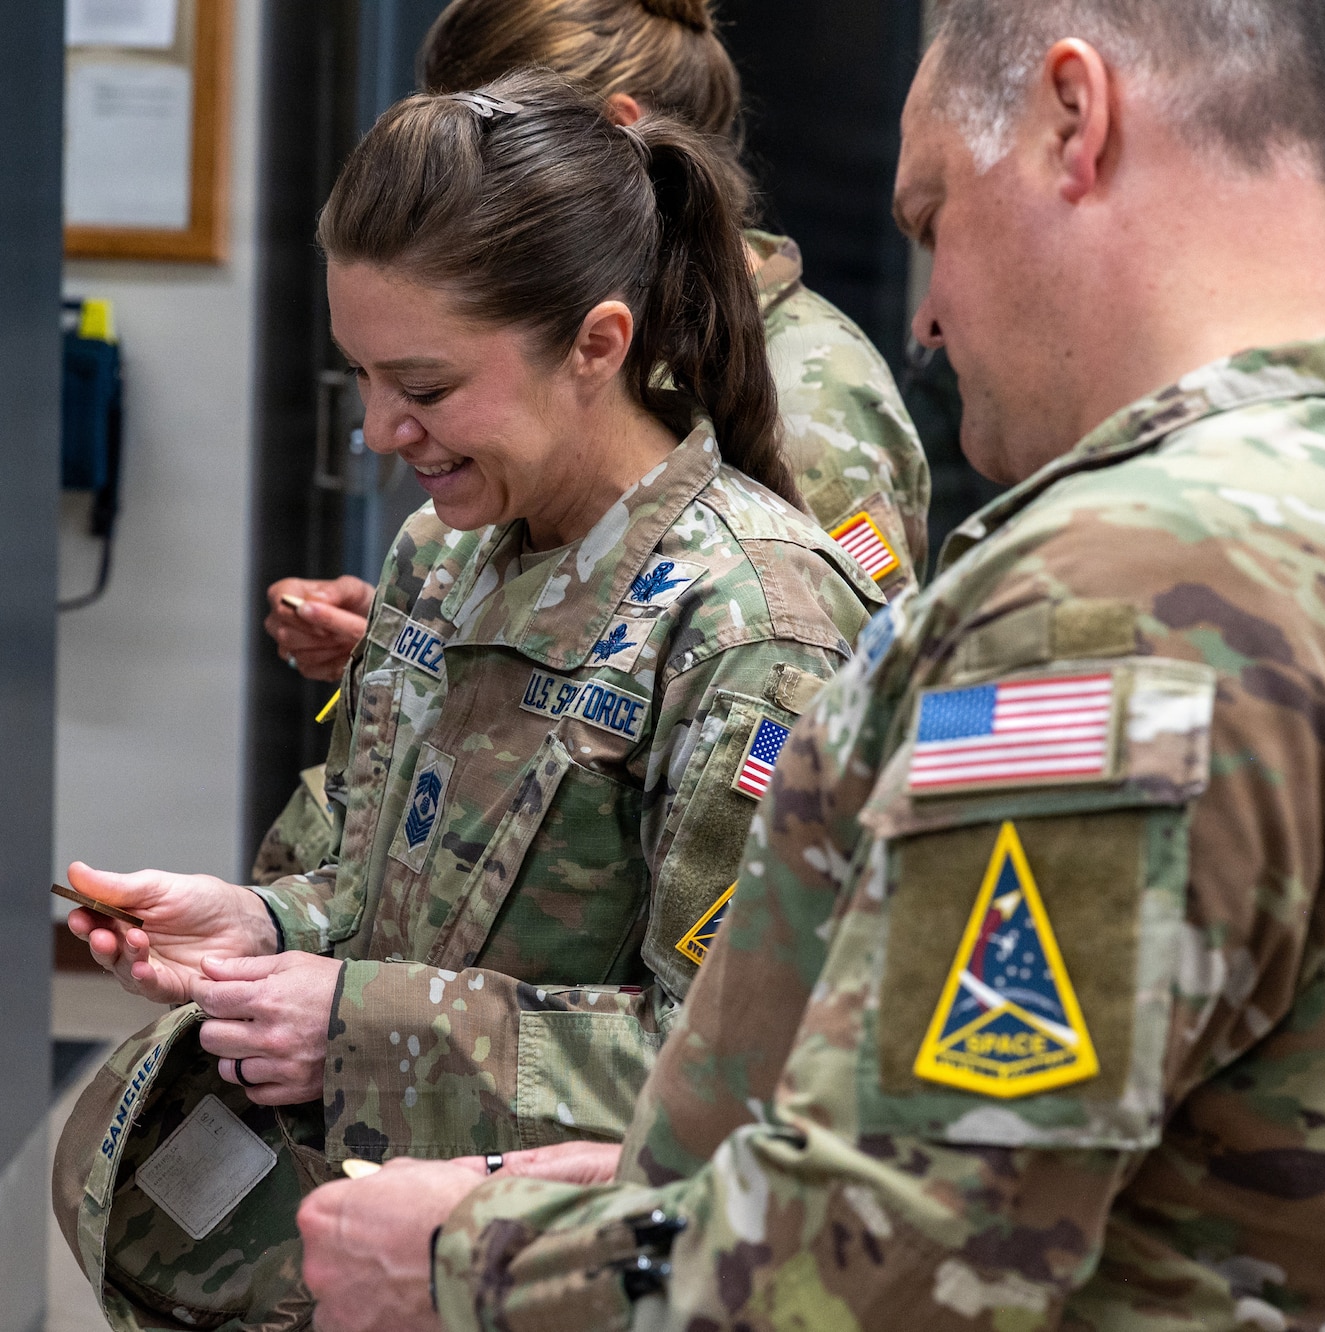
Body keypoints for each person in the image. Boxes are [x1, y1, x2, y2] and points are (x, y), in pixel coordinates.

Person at [293, 2, 1325, 1329]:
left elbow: (899, 1248)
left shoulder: (1126, 593)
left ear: (1073, 121)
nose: (925, 316)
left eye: (934, 219)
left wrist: (469, 1257)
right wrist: (674, 1192)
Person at [62, 71, 883, 1322]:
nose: (383, 429)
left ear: (596, 346)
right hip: (378, 1256)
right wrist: (264, 924)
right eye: (365, 379)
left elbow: (738, 1075)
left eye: (428, 388)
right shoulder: (442, 558)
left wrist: (355, 1027)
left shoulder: (753, 628)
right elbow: (374, 886)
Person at [250, 0, 929, 886]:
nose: (382, 431)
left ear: (606, 144)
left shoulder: (809, 412)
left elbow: (814, 725)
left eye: (505, 142)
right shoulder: (458, 521)